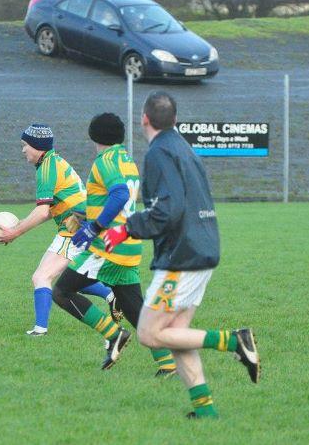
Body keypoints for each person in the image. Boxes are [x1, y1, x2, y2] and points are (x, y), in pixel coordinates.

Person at [103, 92, 260, 418]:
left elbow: (167, 211)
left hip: (182, 256)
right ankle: (205, 412)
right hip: (202, 248)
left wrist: (125, 229)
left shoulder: (159, 153)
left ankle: (234, 341)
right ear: (174, 120)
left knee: (149, 333)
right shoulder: (184, 148)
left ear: (144, 119)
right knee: (177, 335)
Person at [51, 113, 176, 374]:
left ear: (93, 135)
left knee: (61, 291)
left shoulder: (104, 161)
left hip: (107, 246)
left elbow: (119, 195)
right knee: (133, 308)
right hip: (128, 244)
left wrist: (94, 227)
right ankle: (168, 363)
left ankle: (113, 334)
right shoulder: (126, 160)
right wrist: (85, 216)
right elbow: (114, 199)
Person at [0, 124, 121, 336]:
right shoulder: (54, 161)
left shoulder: (46, 168)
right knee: (69, 278)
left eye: (25, 145)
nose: (23, 150)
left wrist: (14, 233)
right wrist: (20, 224)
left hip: (74, 228)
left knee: (41, 277)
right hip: (83, 225)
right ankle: (111, 294)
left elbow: (42, 211)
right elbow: (51, 210)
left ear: (37, 146)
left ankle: (40, 330)